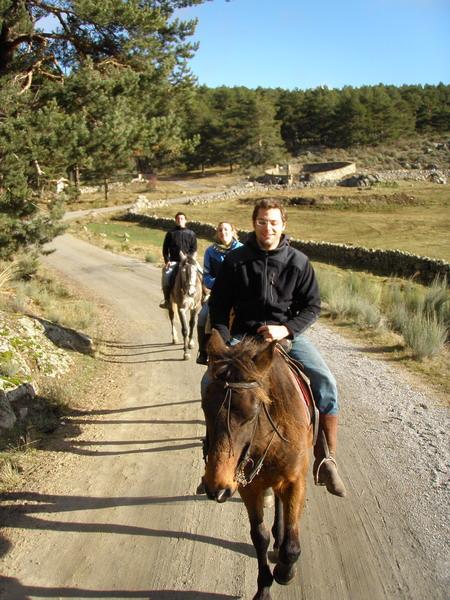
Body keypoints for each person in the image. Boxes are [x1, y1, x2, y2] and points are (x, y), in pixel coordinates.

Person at [206, 198, 347, 497]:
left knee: (326, 383)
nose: (267, 228)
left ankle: (326, 458)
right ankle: (212, 460)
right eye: (261, 221)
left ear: (283, 225)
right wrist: (223, 338)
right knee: (209, 384)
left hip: (286, 337)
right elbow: (218, 305)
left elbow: (312, 306)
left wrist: (286, 329)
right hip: (243, 339)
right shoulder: (235, 261)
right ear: (253, 223)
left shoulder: (298, 261)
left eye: (273, 222)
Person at [196, 222, 242, 365]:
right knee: (202, 317)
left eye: (226, 229)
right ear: (217, 233)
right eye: (220, 230)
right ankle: (203, 352)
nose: (223, 232)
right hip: (218, 294)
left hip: (240, 295)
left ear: (233, 231)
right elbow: (206, 277)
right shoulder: (210, 251)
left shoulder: (242, 250)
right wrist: (221, 282)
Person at [160, 212, 197, 309]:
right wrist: (167, 260)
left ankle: (203, 296)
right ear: (175, 221)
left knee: (201, 273)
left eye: (182, 218)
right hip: (174, 261)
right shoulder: (170, 233)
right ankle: (167, 300)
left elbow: (194, 249)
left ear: (185, 220)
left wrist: (188, 258)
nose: (180, 220)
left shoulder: (191, 233)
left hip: (188, 262)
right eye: (178, 219)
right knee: (166, 275)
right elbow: (165, 249)